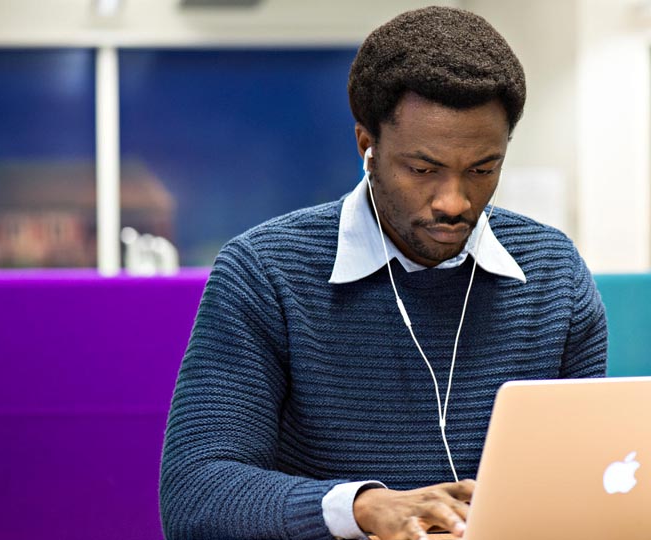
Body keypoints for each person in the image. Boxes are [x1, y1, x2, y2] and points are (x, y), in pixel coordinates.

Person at [159, 6, 607, 540]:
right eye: (423, 169)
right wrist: (363, 508)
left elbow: (586, 477)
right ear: (366, 147)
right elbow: (195, 493)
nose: (454, 201)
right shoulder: (264, 273)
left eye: (483, 169)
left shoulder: (554, 274)